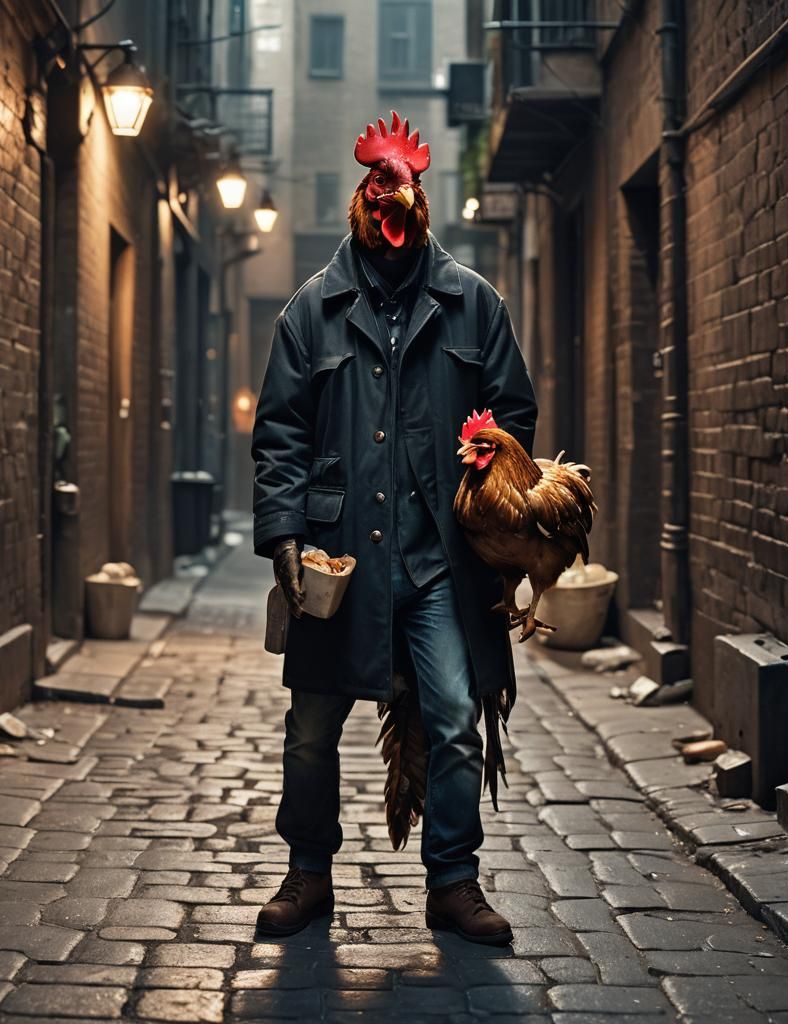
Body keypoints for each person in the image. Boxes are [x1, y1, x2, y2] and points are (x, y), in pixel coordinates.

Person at [250, 112, 538, 945]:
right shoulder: (312, 311)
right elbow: (280, 435)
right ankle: (307, 874)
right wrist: (283, 538)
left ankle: (453, 881)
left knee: (453, 720)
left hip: (442, 562)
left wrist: (493, 472)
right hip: (339, 561)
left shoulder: (473, 304)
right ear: (360, 201)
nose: (392, 197)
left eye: (404, 185)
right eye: (379, 185)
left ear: (420, 201)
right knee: (310, 732)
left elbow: (513, 410)